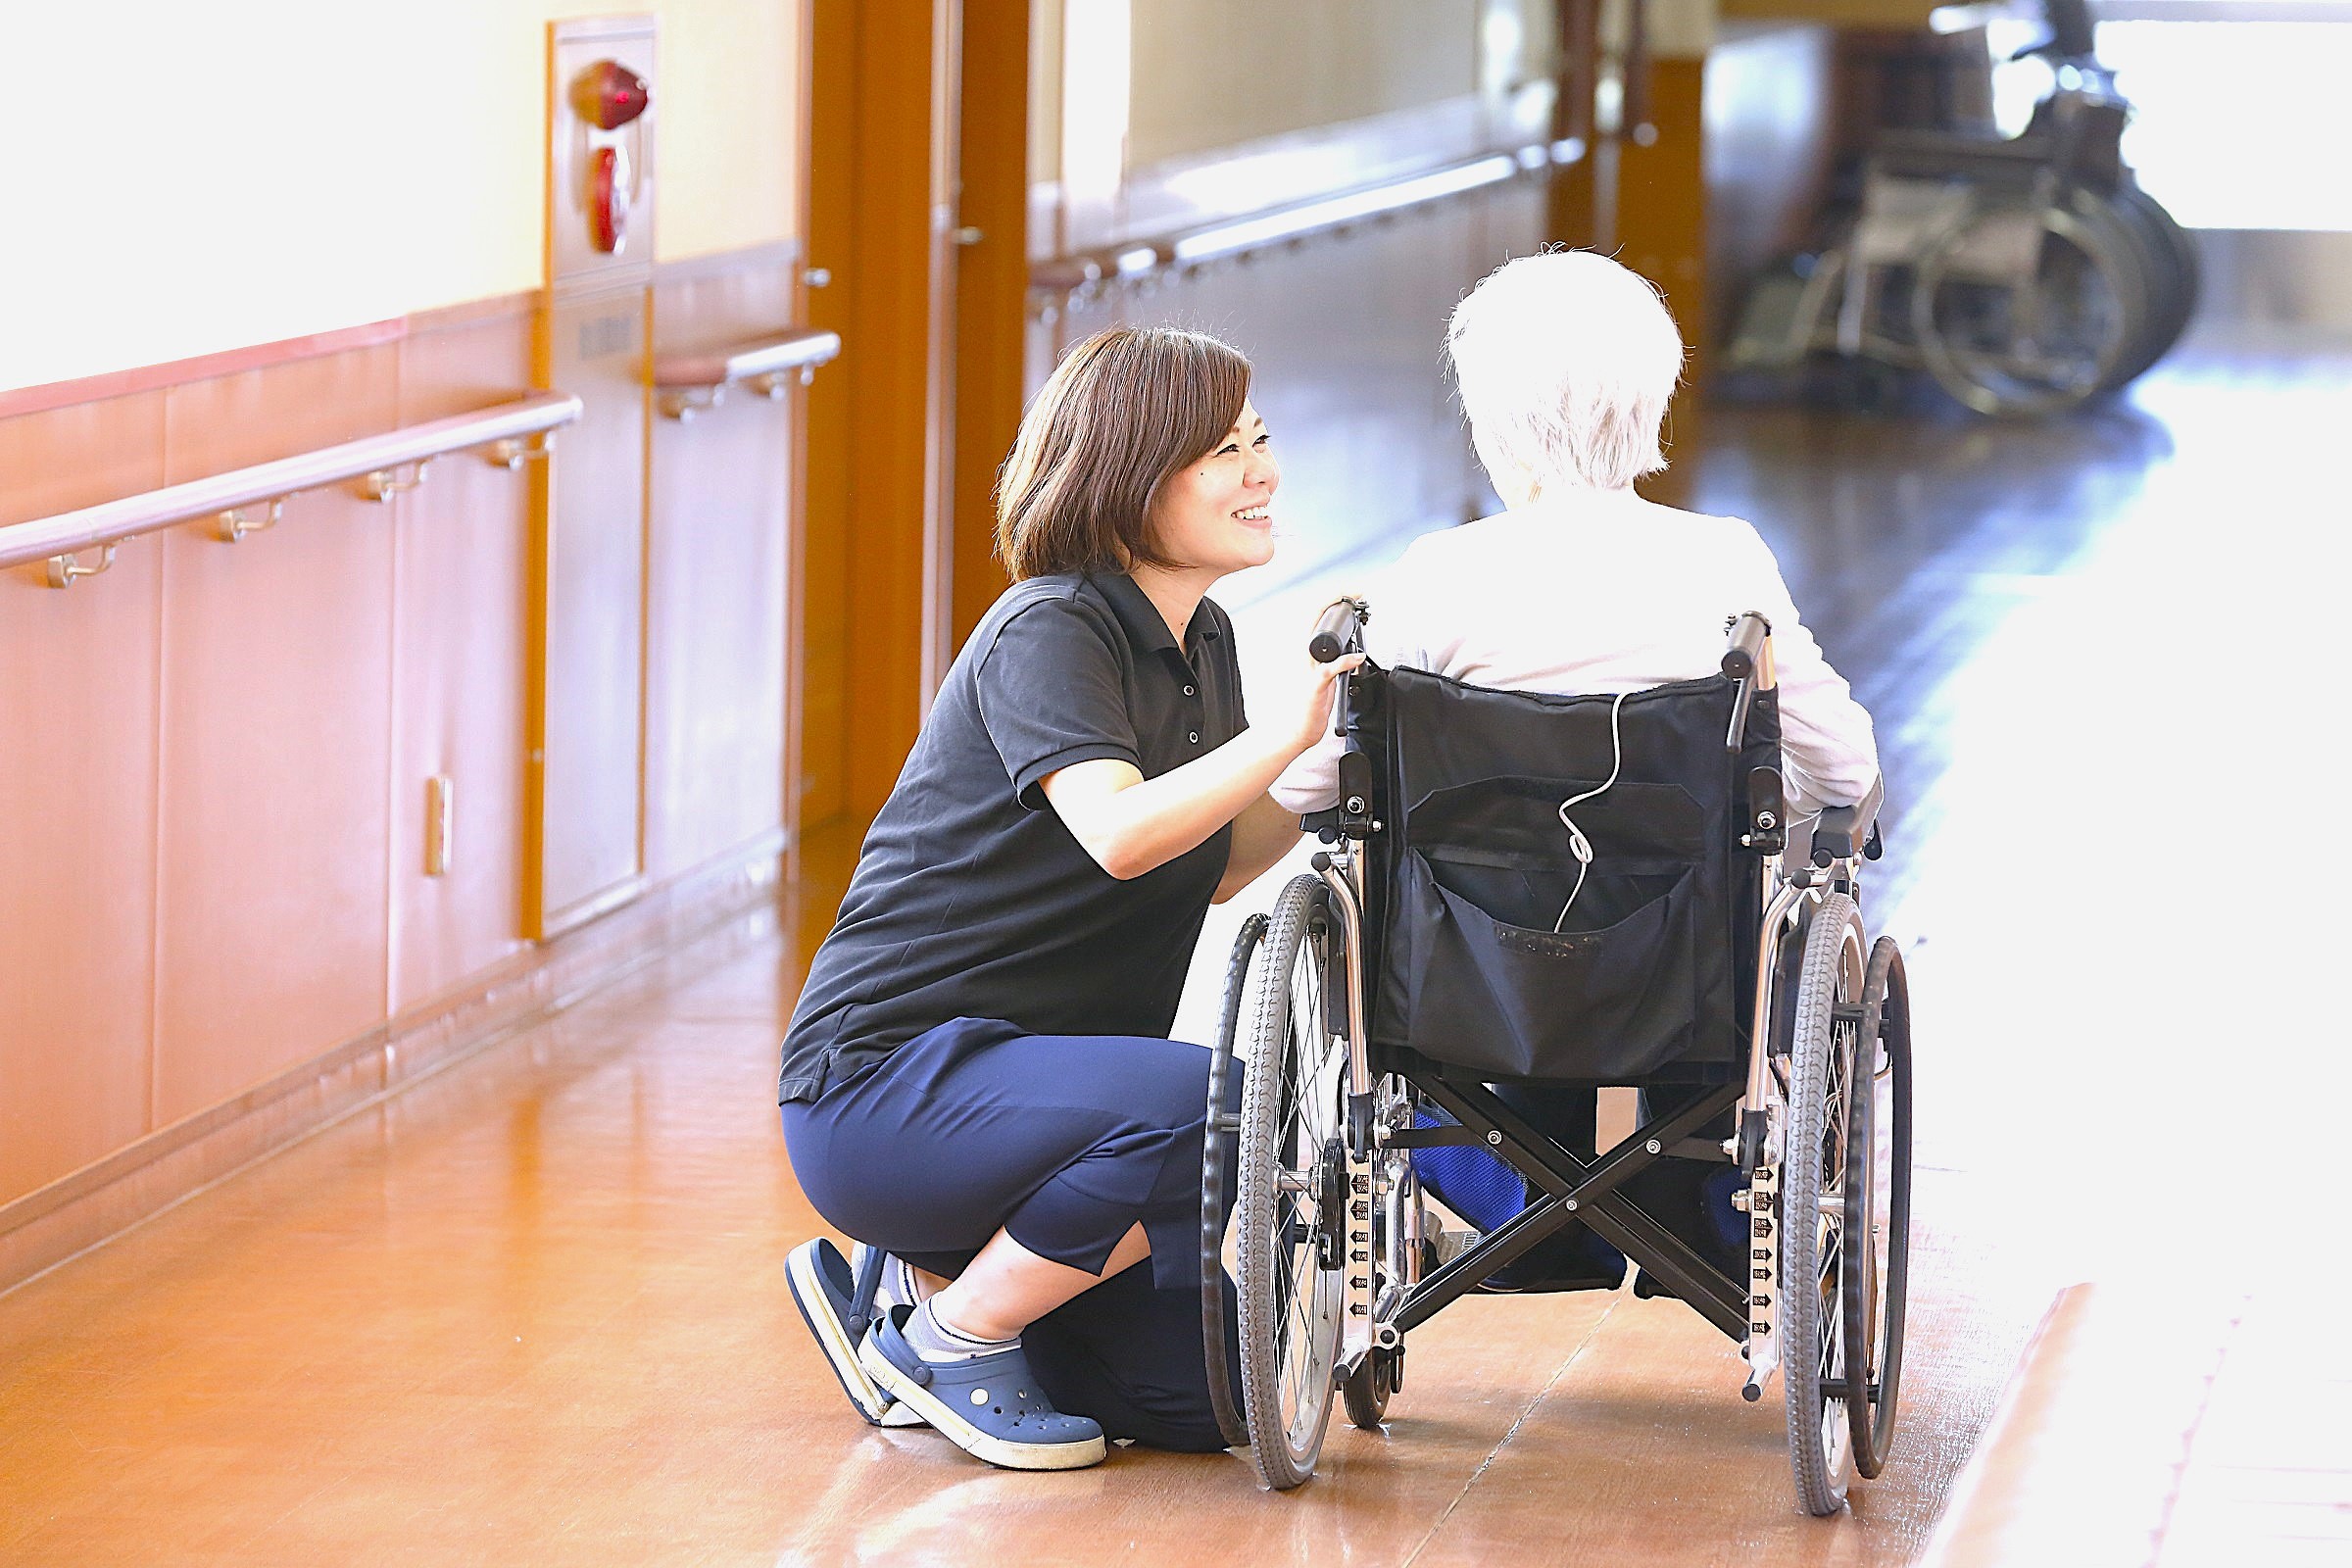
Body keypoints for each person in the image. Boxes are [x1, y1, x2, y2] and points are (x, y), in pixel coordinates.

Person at [778, 325, 1359, 1471]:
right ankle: (948, 1334)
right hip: (888, 1086)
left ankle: (907, 1283)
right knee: (1217, 1105)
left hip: (1034, 1115)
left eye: (1261, 440)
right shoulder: (1050, 625)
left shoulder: (1203, 639)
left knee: (1212, 1405)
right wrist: (1289, 731)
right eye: (1224, 451)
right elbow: (1124, 834)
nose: (1264, 473)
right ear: (1133, 476)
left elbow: (1228, 857)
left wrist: (1346, 764)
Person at [1273, 250, 1880, 1291]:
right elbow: (1841, 763)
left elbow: (1309, 788)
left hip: (1464, 981)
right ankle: (1676, 1214)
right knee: (1727, 927)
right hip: (1687, 981)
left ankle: (1526, 1211)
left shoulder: (1436, 576)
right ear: (1648, 402)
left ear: (1488, 416)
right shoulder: (1722, 562)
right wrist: (1825, 816)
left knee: (1439, 931)